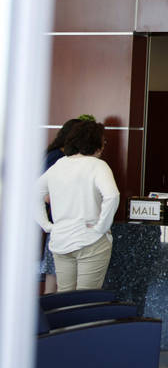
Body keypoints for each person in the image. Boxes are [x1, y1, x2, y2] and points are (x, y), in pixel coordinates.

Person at [36, 120, 120, 292]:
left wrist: (47, 225)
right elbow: (112, 196)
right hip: (90, 239)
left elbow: (32, 194)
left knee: (65, 296)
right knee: (86, 299)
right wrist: (101, 227)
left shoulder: (59, 165)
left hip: (61, 240)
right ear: (96, 143)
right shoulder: (98, 166)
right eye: (103, 141)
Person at [39, 117, 88, 294]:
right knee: (56, 284)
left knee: (56, 281)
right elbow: (45, 195)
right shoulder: (58, 158)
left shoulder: (57, 156)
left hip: (60, 227)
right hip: (60, 226)